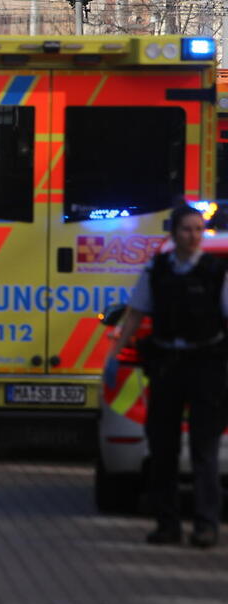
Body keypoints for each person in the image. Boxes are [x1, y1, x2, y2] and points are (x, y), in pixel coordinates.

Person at [111, 204, 228, 548]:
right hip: (166, 365)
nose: (193, 236)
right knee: (163, 449)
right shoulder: (157, 269)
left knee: (204, 450)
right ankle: (167, 524)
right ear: (173, 233)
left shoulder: (216, 272)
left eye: (198, 230)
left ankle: (206, 525)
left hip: (206, 365)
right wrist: (115, 356)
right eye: (186, 229)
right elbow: (135, 314)